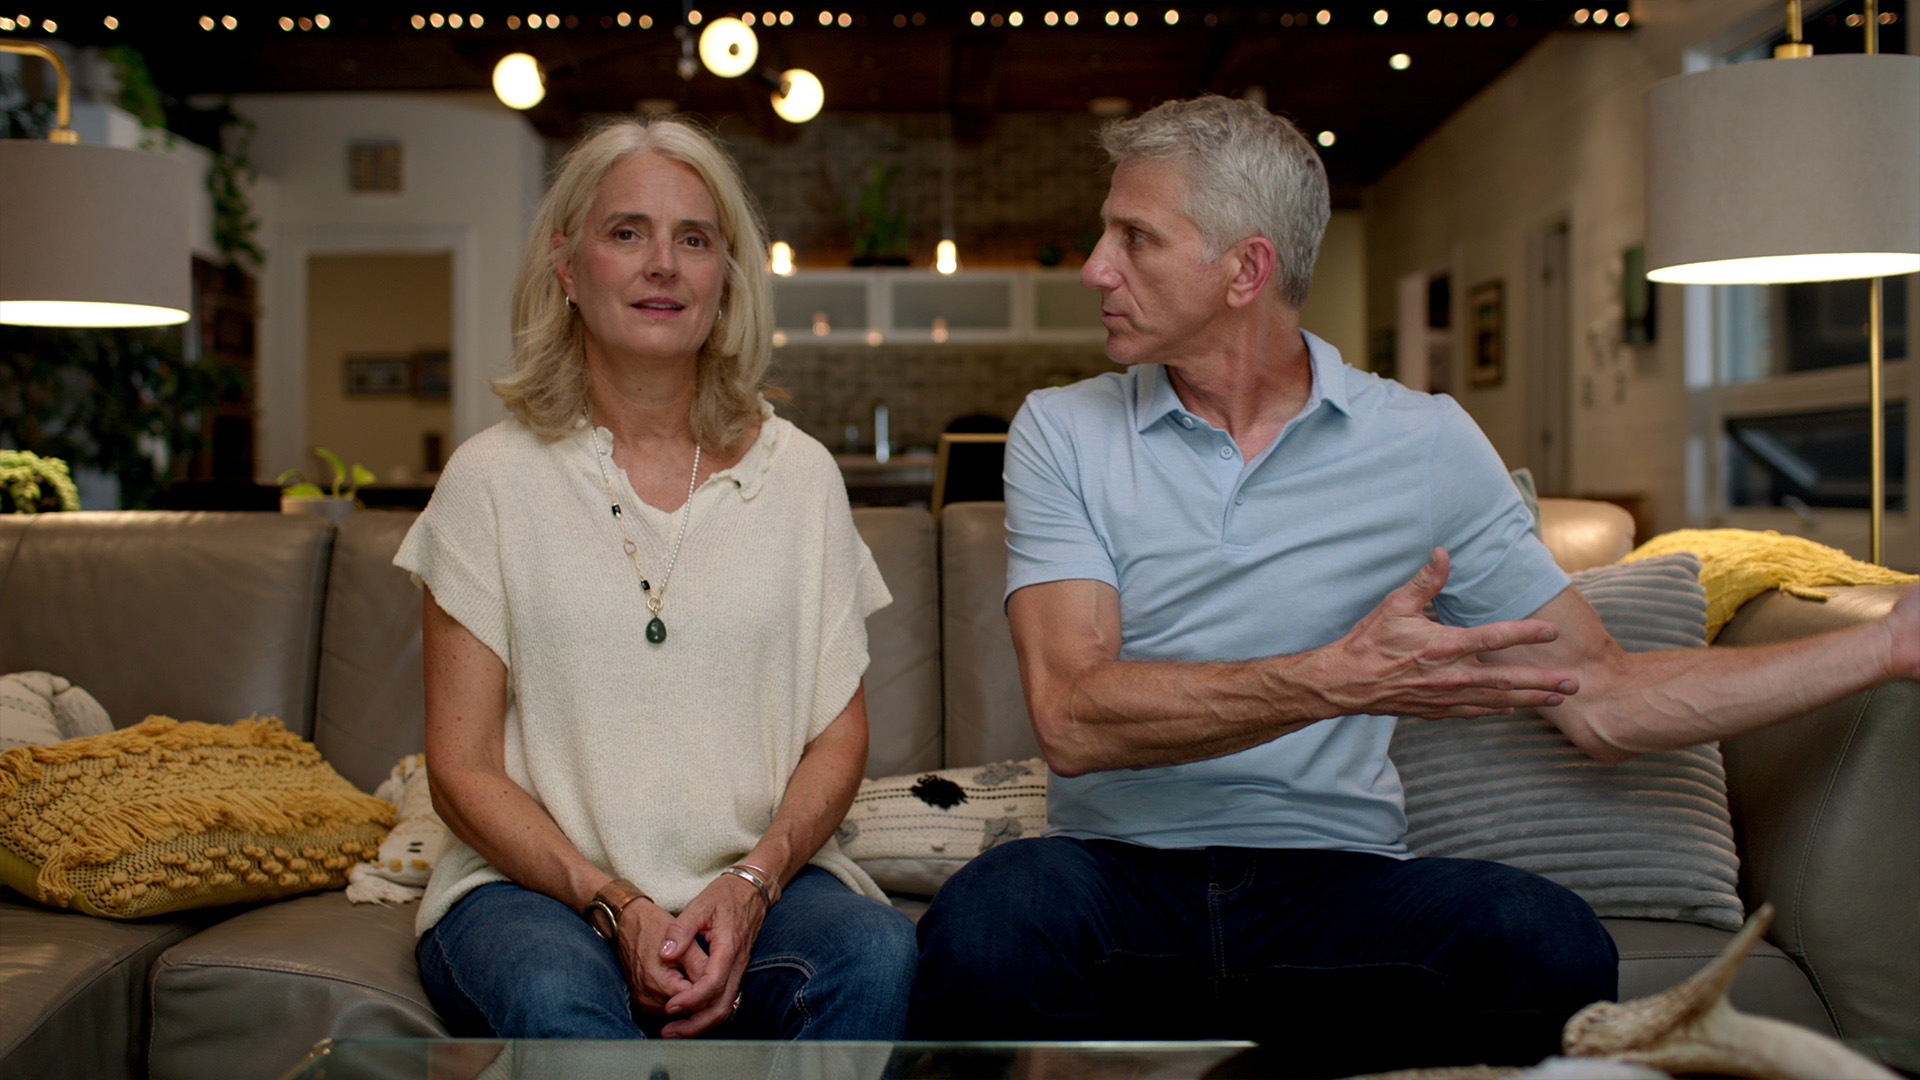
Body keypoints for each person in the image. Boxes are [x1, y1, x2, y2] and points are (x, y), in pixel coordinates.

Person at [910, 95, 1919, 1072]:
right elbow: (1073, 717)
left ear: (1245, 270)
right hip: (1118, 876)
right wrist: (1334, 679)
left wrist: (1886, 644)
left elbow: (1605, 700)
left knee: (1549, 941)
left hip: (1334, 888)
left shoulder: (1425, 442)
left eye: (1135, 238)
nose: (1096, 268)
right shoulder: (1063, 429)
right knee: (990, 920)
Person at [396, 116, 916, 1041]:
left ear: (726, 279)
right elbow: (461, 769)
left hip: (759, 882)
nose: (663, 265)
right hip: (535, 892)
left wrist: (753, 882)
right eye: (627, 232)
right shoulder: (488, 480)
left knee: (873, 954)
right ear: (567, 266)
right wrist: (614, 902)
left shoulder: (801, 478)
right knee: (553, 996)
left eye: (695, 239)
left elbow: (838, 742)